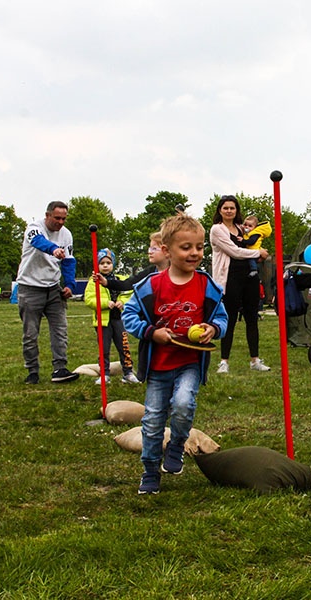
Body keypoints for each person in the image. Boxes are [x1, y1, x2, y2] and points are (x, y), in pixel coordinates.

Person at [122, 213, 228, 494]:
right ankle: (150, 470)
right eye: (186, 247)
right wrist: (150, 332)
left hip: (189, 363)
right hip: (159, 366)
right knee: (154, 420)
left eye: (199, 247)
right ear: (167, 250)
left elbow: (222, 318)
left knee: (183, 406)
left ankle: (178, 445)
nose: (194, 253)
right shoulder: (151, 286)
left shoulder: (207, 286)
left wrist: (213, 328)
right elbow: (130, 315)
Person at [16, 201, 80, 384]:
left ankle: (60, 368)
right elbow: (39, 242)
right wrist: (53, 249)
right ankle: (32, 371)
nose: (61, 222)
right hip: (30, 287)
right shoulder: (34, 228)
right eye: (57, 218)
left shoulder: (66, 234)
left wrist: (69, 284)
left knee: (60, 329)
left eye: (64, 218)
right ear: (47, 215)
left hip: (53, 288)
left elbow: (69, 261)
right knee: (30, 333)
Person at [209, 195, 271, 373]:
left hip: (249, 276)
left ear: (237, 210)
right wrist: (258, 253)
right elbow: (234, 252)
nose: (229, 211)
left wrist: (257, 252)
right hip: (230, 278)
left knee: (252, 318)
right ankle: (224, 361)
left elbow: (251, 243)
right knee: (229, 319)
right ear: (220, 210)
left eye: (232, 208)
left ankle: (255, 359)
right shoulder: (217, 230)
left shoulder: (240, 228)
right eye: (225, 208)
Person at [84, 248, 140, 385]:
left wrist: (123, 303)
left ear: (113, 264)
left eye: (108, 263)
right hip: (103, 321)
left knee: (124, 346)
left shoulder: (121, 280)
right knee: (104, 348)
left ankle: (127, 372)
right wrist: (104, 303)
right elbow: (89, 299)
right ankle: (104, 374)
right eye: (102, 263)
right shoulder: (93, 281)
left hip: (119, 319)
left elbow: (130, 296)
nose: (105, 265)